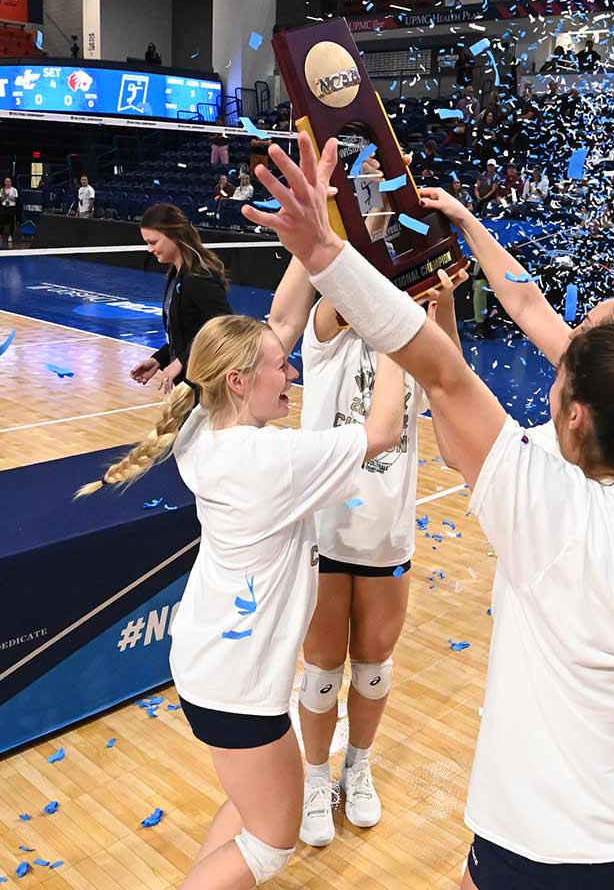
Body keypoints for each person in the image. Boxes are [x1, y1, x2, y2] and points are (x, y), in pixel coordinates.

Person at [242, 89, 614, 890]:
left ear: (574, 415)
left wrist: (327, 254)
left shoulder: (556, 513)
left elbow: (437, 366)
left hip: (545, 838)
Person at [78, 314, 408, 889]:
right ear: (236, 380)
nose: (293, 372)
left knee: (247, 808)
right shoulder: (271, 461)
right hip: (235, 685)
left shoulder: (201, 427)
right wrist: (395, 336)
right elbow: (382, 432)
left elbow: (273, 323)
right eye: (281, 366)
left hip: (212, 666)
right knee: (270, 843)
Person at [266, 200, 462, 847]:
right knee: (321, 669)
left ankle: (360, 764)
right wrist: (377, 233)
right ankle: (316, 776)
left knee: (373, 667)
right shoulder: (329, 325)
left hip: (386, 532)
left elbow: (451, 376)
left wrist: (444, 302)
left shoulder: (410, 339)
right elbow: (352, 288)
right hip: (323, 530)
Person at [130, 203, 234, 393]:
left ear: (175, 237)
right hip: (188, 383)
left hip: (206, 386)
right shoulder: (176, 274)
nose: (149, 249)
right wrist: (159, 359)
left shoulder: (198, 277)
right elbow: (187, 334)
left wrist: (181, 362)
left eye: (153, 242)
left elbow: (224, 329)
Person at [0, 176, 18, 249]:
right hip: (4, 207)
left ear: (11, 182)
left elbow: (15, 199)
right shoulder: (2, 190)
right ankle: (0, 234)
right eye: (6, 181)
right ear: (4, 182)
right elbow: (1, 199)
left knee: (11, 222)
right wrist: (5, 196)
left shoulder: (14, 190)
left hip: (11, 207)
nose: (7, 183)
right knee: (1, 221)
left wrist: (9, 196)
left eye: (9, 181)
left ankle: (10, 235)